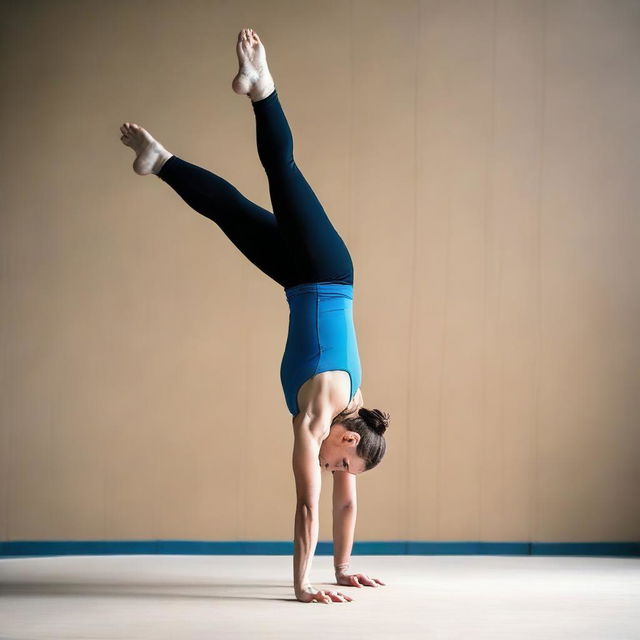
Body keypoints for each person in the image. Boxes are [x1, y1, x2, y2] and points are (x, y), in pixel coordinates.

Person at [119, 28, 390, 603]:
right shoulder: (319, 418)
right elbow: (308, 505)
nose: (339, 473)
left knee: (231, 213)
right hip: (328, 268)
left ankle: (160, 161)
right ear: (344, 437)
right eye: (345, 462)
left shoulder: (350, 419)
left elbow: (343, 501)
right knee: (283, 174)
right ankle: (262, 86)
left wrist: (343, 569)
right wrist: (303, 585)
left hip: (297, 281)